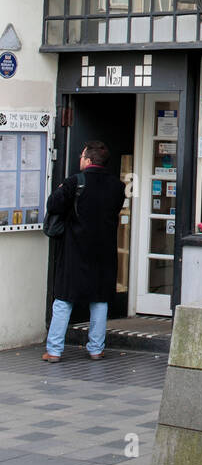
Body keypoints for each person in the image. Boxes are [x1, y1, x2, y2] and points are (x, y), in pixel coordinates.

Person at [42, 141, 126, 362]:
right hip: (104, 251)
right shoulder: (117, 187)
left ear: (88, 160)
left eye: (81, 156)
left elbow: (53, 206)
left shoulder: (74, 183)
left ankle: (54, 350)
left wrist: (61, 191)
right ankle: (96, 349)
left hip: (74, 250)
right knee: (99, 300)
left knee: (63, 299)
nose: (80, 159)